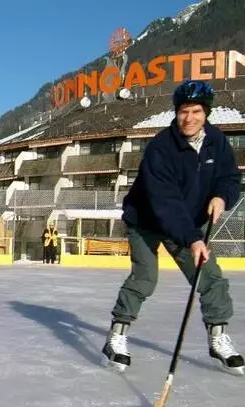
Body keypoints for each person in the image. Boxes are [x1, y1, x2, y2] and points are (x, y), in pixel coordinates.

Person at [102, 79, 244, 375]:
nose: (189, 118)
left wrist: (222, 197)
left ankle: (217, 338)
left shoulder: (216, 142)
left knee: (211, 277)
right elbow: (166, 203)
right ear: (176, 113)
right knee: (146, 277)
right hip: (146, 221)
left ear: (206, 113)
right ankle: (117, 335)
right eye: (183, 111)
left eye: (195, 111)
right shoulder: (161, 148)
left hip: (186, 224)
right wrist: (193, 239)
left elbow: (229, 178)